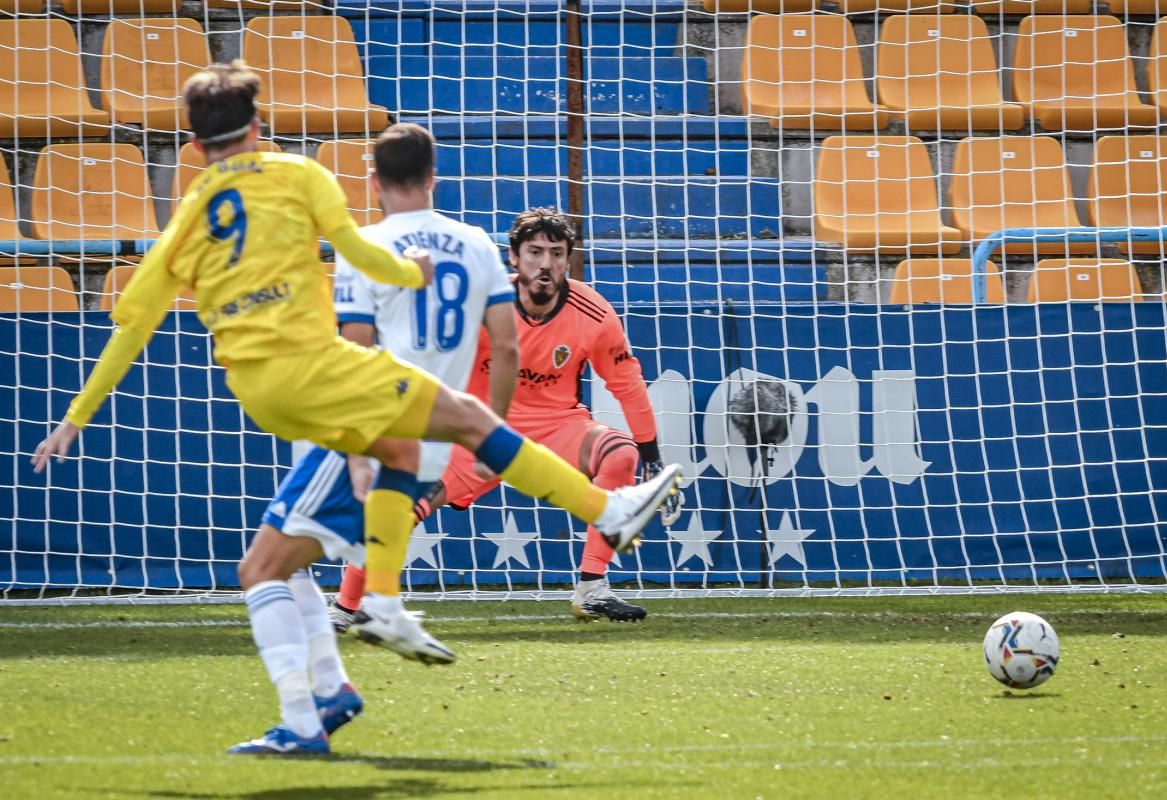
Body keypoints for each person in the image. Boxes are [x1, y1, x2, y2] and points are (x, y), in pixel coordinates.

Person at [30, 63, 682, 756]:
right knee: (456, 423)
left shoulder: (188, 214)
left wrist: (77, 415)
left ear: (194, 150)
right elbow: (353, 247)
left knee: (329, 517)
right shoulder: (299, 175)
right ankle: (401, 600)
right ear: (258, 128)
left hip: (258, 388)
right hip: (319, 375)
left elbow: (133, 322)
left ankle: (337, 681)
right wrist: (409, 275)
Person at [331, 208, 681, 626]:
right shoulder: (480, 304)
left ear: (569, 259)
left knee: (620, 455)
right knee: (399, 502)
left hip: (557, 426)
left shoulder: (594, 314)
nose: (546, 263)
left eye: (556, 253)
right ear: (513, 258)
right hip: (478, 429)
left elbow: (627, 382)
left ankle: (592, 588)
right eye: (534, 252)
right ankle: (346, 608)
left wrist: (652, 455)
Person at [267, 120, 522, 667]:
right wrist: (488, 432)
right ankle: (374, 613)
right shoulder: (477, 243)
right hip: (435, 434)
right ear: (434, 176)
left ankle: (316, 695)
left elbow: (355, 351)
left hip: (376, 422)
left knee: (273, 564)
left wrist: (357, 444)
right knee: (307, 553)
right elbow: (507, 349)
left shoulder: (364, 247)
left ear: (374, 180)